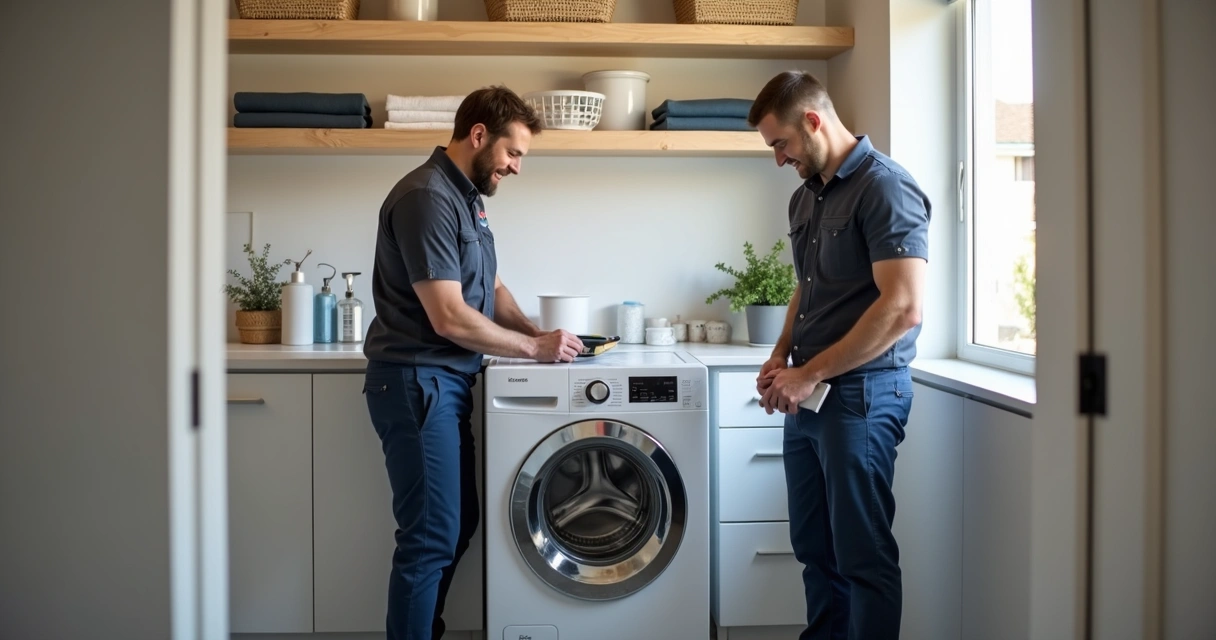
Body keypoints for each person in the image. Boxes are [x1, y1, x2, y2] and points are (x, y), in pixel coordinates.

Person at [361, 85, 585, 640]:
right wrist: (535, 350)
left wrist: (537, 332)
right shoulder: (426, 198)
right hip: (418, 382)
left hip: (446, 382)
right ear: (479, 135)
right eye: (513, 154)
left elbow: (491, 286)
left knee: (457, 527)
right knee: (429, 537)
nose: (515, 168)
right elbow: (450, 317)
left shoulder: (466, 200)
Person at [750, 71, 930, 640]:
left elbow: (903, 307)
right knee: (815, 551)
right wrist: (781, 357)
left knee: (863, 557)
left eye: (780, 144)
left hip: (862, 396)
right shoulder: (806, 197)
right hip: (810, 395)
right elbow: (807, 286)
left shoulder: (886, 187)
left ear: (813, 121)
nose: (779, 159)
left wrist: (809, 374)